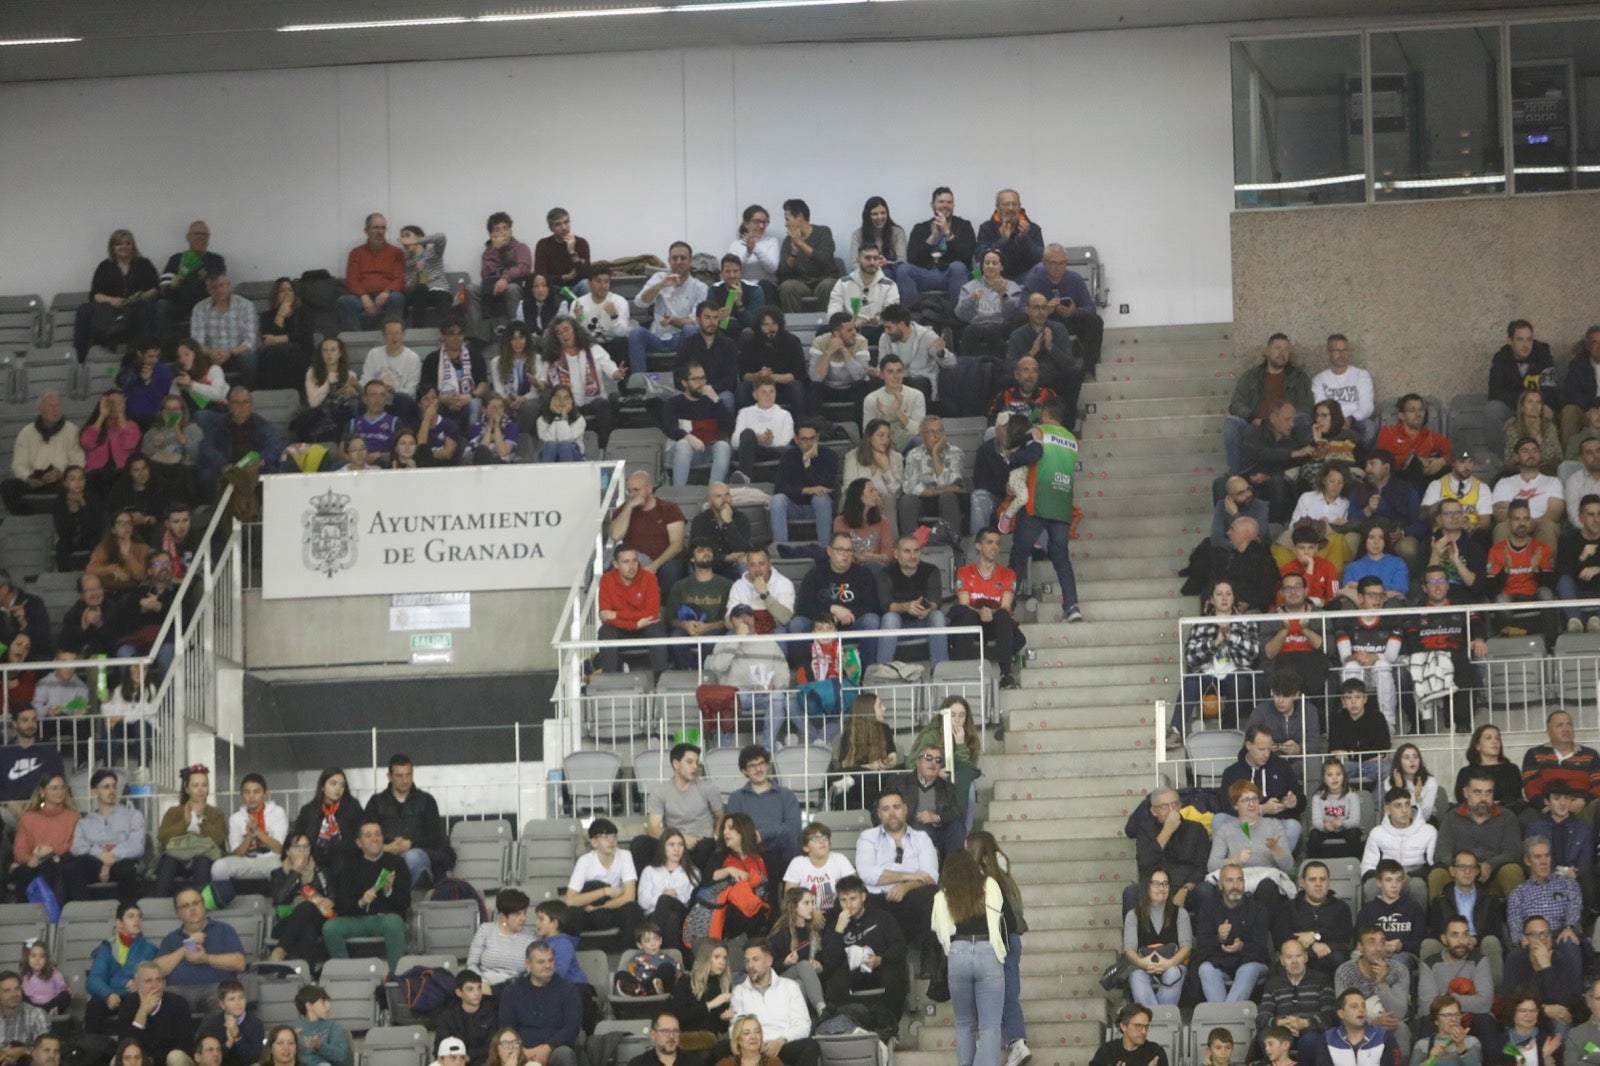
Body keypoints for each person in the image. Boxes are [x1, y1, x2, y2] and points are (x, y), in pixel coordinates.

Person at [1008, 397, 1083, 622]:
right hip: (1061, 505)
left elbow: (1034, 455)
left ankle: (1007, 605)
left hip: (1037, 502)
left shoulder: (1038, 431)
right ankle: (1071, 606)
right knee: (1061, 556)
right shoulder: (1072, 439)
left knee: (1019, 554)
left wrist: (1012, 457)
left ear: (1044, 413)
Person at [932, 849, 1009, 1066]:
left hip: (957, 952)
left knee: (964, 1023)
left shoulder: (941, 896)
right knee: (990, 1025)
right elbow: (1001, 915)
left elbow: (940, 932)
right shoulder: (990, 885)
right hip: (987, 950)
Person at [854, 789, 938, 952]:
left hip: (911, 898)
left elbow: (931, 875)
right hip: (877, 899)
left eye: (896, 807)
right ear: (879, 813)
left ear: (905, 809)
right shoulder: (868, 837)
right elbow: (867, 874)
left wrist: (905, 887)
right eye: (886, 809)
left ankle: (930, 965)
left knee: (932, 894)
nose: (892, 813)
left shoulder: (921, 838)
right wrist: (909, 875)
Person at [321, 819, 409, 972]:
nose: (374, 839)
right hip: (356, 920)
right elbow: (342, 904)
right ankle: (346, 974)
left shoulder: (397, 863)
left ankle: (396, 977)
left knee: (394, 923)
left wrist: (388, 892)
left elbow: (405, 902)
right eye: (368, 835)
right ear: (359, 843)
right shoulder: (349, 866)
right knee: (330, 927)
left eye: (378, 834)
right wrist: (361, 902)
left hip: (384, 919)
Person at [1504, 845, 1584, 1011]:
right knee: (1516, 956)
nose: (1544, 862)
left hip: (1562, 933)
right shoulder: (1519, 893)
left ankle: (1575, 1005)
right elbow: (1515, 924)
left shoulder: (1568, 884)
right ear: (1527, 861)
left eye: (1547, 856)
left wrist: (1569, 926)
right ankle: (1531, 1007)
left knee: (1569, 945)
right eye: (1538, 857)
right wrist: (1527, 941)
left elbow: (1575, 908)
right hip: (1531, 936)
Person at [1223, 334, 1315, 475]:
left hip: (1286, 425)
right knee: (1231, 422)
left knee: (1304, 419)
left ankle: (1302, 473)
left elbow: (1306, 405)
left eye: (1286, 349)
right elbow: (1236, 403)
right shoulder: (1251, 376)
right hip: (1256, 423)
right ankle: (1236, 477)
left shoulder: (1299, 377)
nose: (1282, 353)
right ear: (1266, 351)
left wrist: (1285, 421)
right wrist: (1252, 418)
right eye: (1277, 348)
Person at [1429, 770, 1526, 899]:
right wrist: (1465, 867)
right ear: (1466, 793)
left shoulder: (1507, 817)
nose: (1483, 798)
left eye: (1488, 792)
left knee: (1512, 871)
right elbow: (1441, 854)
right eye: (1477, 792)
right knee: (1437, 875)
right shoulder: (1451, 818)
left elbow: (1514, 853)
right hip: (1458, 877)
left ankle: (1516, 918)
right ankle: (1441, 918)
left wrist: (1490, 864)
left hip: (1493, 876)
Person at [155, 886, 246, 1012]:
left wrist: (206, 959)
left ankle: (205, 1032)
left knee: (224, 1003)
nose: (192, 909)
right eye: (186, 906)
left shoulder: (224, 930)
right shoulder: (170, 938)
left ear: (203, 905)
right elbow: (158, 971)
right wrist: (185, 949)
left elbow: (240, 963)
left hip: (216, 988)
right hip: (178, 991)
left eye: (195, 903)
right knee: (160, 1004)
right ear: (178, 913)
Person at [794, 533, 882, 663]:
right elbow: (802, 607)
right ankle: (806, 676)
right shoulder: (815, 574)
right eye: (840, 549)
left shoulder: (864, 574)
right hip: (821, 628)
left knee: (872, 620)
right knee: (797, 624)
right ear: (830, 551)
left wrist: (845, 616)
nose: (845, 554)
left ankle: (868, 673)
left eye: (849, 550)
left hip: (852, 625)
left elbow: (873, 606)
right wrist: (831, 610)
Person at [73, 229, 160, 361]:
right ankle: (80, 359)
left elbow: (155, 289)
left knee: (144, 309)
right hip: (110, 310)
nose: (124, 246)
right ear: (113, 248)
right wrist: (112, 300)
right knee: (84, 310)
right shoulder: (104, 266)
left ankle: (145, 358)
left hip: (136, 309)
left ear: (133, 246)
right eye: (119, 244)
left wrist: (139, 297)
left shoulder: (144, 264)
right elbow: (94, 295)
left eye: (127, 243)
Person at [1018, 244, 1103, 378]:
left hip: (1071, 320)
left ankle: (1088, 368)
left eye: (1063, 263)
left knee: (1095, 321)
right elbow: (1022, 308)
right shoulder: (1034, 281)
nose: (1059, 267)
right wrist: (1044, 310)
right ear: (1045, 263)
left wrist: (1074, 311)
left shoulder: (1075, 279)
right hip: (1046, 323)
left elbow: (1090, 308)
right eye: (1054, 263)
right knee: (1022, 321)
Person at [206, 773, 288, 908]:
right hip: (246, 860)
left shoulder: (278, 812)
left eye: (256, 792)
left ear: (265, 794)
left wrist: (258, 831)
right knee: (218, 867)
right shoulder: (236, 818)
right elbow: (238, 853)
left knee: (280, 867)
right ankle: (222, 903)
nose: (252, 797)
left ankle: (280, 906)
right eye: (247, 792)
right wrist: (249, 836)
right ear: (242, 795)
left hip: (271, 859)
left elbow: (280, 848)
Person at [1194, 860, 1271, 1004]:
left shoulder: (1257, 908)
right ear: (1220, 885)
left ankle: (1223, 1020)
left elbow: (1261, 947)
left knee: (1247, 969)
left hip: (1251, 962)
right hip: (1219, 961)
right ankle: (1228, 1019)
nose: (1235, 886)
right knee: (1205, 968)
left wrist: (1242, 946)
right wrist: (1219, 939)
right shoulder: (1209, 908)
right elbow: (1201, 946)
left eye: (1239, 880)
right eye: (1230, 881)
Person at [65, 768, 144, 903]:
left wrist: (110, 858)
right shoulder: (84, 822)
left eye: (114, 786)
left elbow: (136, 846)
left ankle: (127, 913)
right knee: (72, 867)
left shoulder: (132, 815)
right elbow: (76, 847)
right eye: (106, 787)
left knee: (127, 870)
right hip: (95, 862)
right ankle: (83, 914)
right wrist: (101, 855)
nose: (112, 791)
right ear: (95, 791)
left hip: (121, 862)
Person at [495, 943, 581, 1066]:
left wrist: (548, 1048)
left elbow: (572, 1028)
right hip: (520, 1051)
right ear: (528, 963)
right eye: (541, 962)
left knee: (565, 1054)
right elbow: (506, 1029)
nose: (547, 965)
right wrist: (522, 1051)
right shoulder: (512, 991)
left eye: (550, 960)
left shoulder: (568, 990)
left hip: (555, 1050)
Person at [2, 392, 86, 516]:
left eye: (58, 405)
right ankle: (27, 518)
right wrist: (29, 478)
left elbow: (78, 461)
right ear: (40, 409)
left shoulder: (71, 430)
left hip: (61, 480)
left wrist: (61, 473)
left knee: (75, 488)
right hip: (35, 479)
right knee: (7, 486)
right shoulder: (26, 432)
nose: (55, 410)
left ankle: (64, 517)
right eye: (50, 406)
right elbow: (18, 464)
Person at [630, 243, 709, 372]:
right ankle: (639, 384)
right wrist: (660, 285)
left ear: (690, 262)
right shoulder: (659, 278)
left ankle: (685, 379)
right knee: (635, 333)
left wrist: (672, 321)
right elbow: (639, 303)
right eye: (674, 258)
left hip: (681, 338)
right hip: (656, 336)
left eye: (683, 258)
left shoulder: (700, 288)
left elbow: (697, 322)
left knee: (691, 330)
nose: (678, 262)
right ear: (669, 261)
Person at [1488, 498, 1558, 641]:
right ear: (1509, 521)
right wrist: (1505, 570)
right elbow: (1490, 590)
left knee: (1546, 594)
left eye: (1526, 519)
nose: (1522, 524)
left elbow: (1551, 586)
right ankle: (1510, 643)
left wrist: (1536, 569)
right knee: (1500, 600)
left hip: (1533, 595)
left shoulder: (1540, 548)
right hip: (1508, 596)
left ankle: (1551, 644)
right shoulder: (1496, 550)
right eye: (1517, 519)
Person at [1256, 938, 1334, 1064]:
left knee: (1311, 1040)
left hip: (1311, 1030)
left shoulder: (1322, 980)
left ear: (1306, 958)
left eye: (1298, 956)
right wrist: (1279, 1023)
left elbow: (1330, 1016)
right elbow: (1262, 1017)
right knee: (1265, 1037)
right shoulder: (1273, 984)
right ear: (1282, 960)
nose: (1294, 961)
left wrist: (1305, 1022)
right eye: (1289, 957)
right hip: (1281, 1031)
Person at [563, 819, 643, 939]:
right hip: (589, 911)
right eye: (605, 837)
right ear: (594, 842)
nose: (611, 841)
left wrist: (601, 907)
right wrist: (605, 891)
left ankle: (630, 953)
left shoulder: (625, 856)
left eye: (614, 836)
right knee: (570, 913)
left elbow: (629, 896)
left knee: (633, 909)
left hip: (613, 908)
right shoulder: (584, 861)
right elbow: (570, 900)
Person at [1122, 869, 1190, 1011]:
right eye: (1156, 884)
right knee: (1136, 975)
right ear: (1147, 887)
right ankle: (1157, 1022)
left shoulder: (1180, 913)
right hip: (1143, 964)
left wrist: (1169, 963)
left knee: (1174, 973)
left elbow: (1186, 947)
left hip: (1173, 963)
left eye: (1165, 884)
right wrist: (1142, 962)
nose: (1162, 888)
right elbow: (1129, 949)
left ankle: (1152, 1021)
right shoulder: (1133, 915)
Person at [877, 535, 948, 666]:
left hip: (924, 621)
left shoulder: (931, 570)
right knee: (889, 618)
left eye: (916, 550)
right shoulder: (886, 573)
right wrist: (907, 606)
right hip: (898, 624)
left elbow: (936, 601)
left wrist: (927, 608)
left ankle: (940, 670)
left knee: (938, 616)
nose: (913, 555)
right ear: (896, 554)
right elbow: (885, 605)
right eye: (907, 551)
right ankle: (883, 670)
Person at [1417, 922, 1494, 1042]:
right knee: (1427, 1020)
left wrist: (1446, 998)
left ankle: (1490, 1061)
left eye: (1465, 935)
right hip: (1441, 1020)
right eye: (1454, 935)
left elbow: (1485, 1003)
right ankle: (1428, 1060)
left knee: (1485, 1020)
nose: (1461, 941)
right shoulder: (1430, 963)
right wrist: (1453, 1012)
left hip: (1470, 1018)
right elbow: (1427, 1006)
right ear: (1444, 939)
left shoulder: (1479, 960)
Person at [610, 471, 688, 591]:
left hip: (665, 561)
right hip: (635, 561)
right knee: (616, 566)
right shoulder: (625, 510)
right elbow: (616, 535)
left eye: (636, 490)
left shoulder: (669, 508)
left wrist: (655, 565)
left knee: (671, 570)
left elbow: (677, 545)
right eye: (629, 491)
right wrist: (629, 507)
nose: (632, 494)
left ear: (649, 488)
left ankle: (664, 608)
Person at [8, 771, 76, 904]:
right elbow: (19, 850)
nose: (59, 792)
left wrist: (51, 850)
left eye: (62, 787)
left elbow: (74, 844)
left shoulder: (73, 816)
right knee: (23, 873)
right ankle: (26, 918)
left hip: (60, 861)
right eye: (54, 788)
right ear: (42, 791)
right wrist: (30, 859)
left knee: (52, 870)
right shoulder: (28, 817)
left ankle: (53, 917)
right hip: (32, 862)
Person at [1487, 319, 1560, 442]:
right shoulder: (1501, 360)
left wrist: (1532, 406)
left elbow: (1551, 392)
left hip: (1538, 407)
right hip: (1512, 408)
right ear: (1510, 341)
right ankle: (1504, 458)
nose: (1525, 345)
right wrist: (1520, 411)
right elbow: (1494, 393)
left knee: (1548, 412)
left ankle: (1543, 458)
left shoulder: (1545, 358)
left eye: (1529, 339)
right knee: (1492, 410)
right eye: (1520, 339)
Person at [665, 362, 734, 487]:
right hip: (680, 453)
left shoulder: (713, 403)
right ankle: (679, 492)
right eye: (695, 379)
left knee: (723, 446)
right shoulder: (673, 403)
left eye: (703, 378)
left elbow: (729, 426)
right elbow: (669, 427)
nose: (701, 383)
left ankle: (714, 491)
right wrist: (687, 436)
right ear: (684, 383)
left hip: (706, 450)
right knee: (683, 445)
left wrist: (716, 399)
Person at [336, 214, 405, 332]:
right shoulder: (356, 253)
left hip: (387, 296)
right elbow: (352, 280)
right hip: (361, 297)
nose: (380, 232)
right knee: (345, 301)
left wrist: (386, 292)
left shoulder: (396, 252)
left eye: (383, 228)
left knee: (397, 298)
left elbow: (399, 279)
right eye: (376, 228)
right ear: (366, 231)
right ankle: (354, 344)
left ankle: (391, 338)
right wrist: (364, 297)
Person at [1491, 438, 1565, 547]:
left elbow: (1554, 512)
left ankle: (1547, 564)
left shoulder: (1553, 482)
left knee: (1548, 526)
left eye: (1535, 451)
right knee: (1502, 527)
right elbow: (1500, 513)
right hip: (1513, 525)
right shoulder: (1504, 483)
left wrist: (1533, 524)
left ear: (1540, 455)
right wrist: (1520, 524)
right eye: (1525, 451)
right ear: (1516, 457)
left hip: (1542, 524)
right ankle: (1504, 564)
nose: (1531, 454)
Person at [189, 274, 259, 387]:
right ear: (208, 290)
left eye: (221, 285)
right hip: (210, 356)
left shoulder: (246, 305)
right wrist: (211, 352)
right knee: (189, 359)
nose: (218, 290)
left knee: (249, 358)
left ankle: (248, 393)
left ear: (229, 286)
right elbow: (197, 342)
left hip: (237, 354)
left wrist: (229, 352)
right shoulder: (200, 308)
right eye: (214, 287)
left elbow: (251, 341)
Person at [900, 416, 965, 535]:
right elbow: (909, 487)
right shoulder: (913, 455)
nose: (937, 436)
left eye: (940, 431)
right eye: (932, 432)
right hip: (921, 500)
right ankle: (909, 546)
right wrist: (936, 491)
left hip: (948, 500)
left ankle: (954, 544)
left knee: (947, 496)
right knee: (906, 500)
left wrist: (935, 454)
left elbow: (947, 483)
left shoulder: (955, 453)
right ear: (922, 436)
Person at [117, 962, 191, 1065]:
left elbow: (183, 1047)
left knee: (176, 1057)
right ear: (137, 984)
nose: (155, 986)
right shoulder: (128, 1004)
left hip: (168, 1062)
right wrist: (142, 1011)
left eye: (158, 980)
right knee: (117, 1060)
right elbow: (125, 1047)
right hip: (141, 1062)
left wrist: (152, 1061)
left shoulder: (178, 1004)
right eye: (148, 981)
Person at [955, 250, 1023, 359]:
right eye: (987, 263)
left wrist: (1003, 295)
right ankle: (965, 369)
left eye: (994, 263)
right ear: (982, 266)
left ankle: (1004, 367)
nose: (990, 266)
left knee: (992, 330)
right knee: (969, 330)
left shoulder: (1012, 286)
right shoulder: (969, 286)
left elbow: (1013, 315)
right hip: (976, 325)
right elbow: (960, 315)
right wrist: (970, 299)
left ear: (1001, 267)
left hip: (1001, 326)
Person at [738, 308, 808, 413]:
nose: (770, 328)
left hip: (784, 386)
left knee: (796, 386)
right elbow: (744, 375)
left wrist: (773, 377)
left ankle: (799, 424)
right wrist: (758, 376)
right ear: (759, 326)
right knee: (742, 388)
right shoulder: (751, 343)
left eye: (774, 324)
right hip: (758, 385)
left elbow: (798, 373)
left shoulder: (792, 341)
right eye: (765, 325)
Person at [467, 888, 536, 989]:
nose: (523, 918)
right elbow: (471, 964)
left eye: (524, 913)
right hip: (483, 986)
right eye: (517, 914)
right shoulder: (485, 930)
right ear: (503, 916)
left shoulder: (530, 938)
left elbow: (531, 972)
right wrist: (481, 982)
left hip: (514, 989)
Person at [776, 200, 837, 314]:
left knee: (828, 285)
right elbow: (783, 275)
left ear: (799, 217)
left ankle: (828, 326)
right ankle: (794, 329)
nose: (785, 224)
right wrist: (794, 253)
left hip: (824, 279)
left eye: (787, 219)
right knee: (787, 287)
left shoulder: (823, 232)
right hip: (801, 283)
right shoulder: (787, 241)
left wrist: (800, 244)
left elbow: (824, 259)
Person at [827, 243, 900, 335]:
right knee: (823, 330)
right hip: (849, 331)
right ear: (858, 260)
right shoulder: (842, 283)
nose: (872, 262)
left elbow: (892, 315)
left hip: (877, 330)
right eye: (867, 258)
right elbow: (833, 313)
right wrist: (850, 324)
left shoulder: (890, 285)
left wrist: (877, 320)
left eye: (875, 258)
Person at [1317, 988, 1403, 1066]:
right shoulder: (1328, 1039)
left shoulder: (1384, 1037)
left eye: (1363, 1006)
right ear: (1341, 1013)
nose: (1361, 1010)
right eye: (1354, 1006)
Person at [673, 938, 734, 1042]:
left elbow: (722, 1029)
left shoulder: (725, 984)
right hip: (687, 1039)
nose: (721, 962)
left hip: (711, 1040)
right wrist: (710, 1005)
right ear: (705, 957)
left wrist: (725, 1019)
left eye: (724, 958)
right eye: (717, 957)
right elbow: (680, 1016)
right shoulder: (686, 980)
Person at [733, 379, 794, 482]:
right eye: (763, 392)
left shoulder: (785, 415)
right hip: (752, 450)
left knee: (791, 450)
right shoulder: (744, 413)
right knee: (748, 433)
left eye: (771, 391)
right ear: (755, 395)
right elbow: (734, 442)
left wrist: (769, 440)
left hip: (774, 451)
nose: (768, 395)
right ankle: (745, 477)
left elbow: (785, 441)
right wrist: (756, 438)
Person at [194, 979, 266, 1066]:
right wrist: (228, 1044)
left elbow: (253, 1059)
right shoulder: (211, 1024)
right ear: (222, 1004)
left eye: (241, 998)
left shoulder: (256, 1024)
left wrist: (237, 1035)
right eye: (232, 999)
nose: (238, 1003)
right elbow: (205, 1058)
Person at [806, 313, 870, 409]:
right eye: (849, 330)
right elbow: (815, 378)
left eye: (854, 328)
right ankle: (816, 423)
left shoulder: (861, 341)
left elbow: (860, 376)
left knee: (862, 386)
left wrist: (844, 350)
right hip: (828, 388)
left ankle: (863, 424)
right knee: (814, 388)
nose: (854, 333)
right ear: (836, 333)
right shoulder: (819, 342)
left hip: (851, 387)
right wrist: (829, 352)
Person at [862, 355, 924, 453]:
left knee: (920, 442)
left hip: (910, 445)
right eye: (890, 372)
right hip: (883, 445)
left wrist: (898, 412)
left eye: (899, 371)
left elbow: (919, 431)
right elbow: (868, 434)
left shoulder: (917, 395)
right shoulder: (871, 399)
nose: (896, 376)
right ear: (882, 375)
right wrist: (885, 416)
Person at [1557, 493, 1600, 632]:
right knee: (1564, 581)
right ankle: (1575, 622)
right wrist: (1582, 557)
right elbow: (1560, 571)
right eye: (1591, 515)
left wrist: (1597, 569)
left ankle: (1597, 621)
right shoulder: (1568, 539)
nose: (1596, 519)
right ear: (1581, 518)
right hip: (1577, 592)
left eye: (1599, 514)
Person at [435, 975, 495, 1066]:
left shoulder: (492, 1011)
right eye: (470, 989)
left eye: (479, 988)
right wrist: (460, 1058)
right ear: (459, 992)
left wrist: (468, 1056)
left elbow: (493, 1045)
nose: (477, 993)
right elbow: (440, 1048)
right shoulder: (448, 1015)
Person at [1503, 390, 1564, 475]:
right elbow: (1509, 460)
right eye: (1530, 402)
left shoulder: (1550, 428)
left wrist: (1537, 434)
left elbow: (1558, 457)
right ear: (1522, 408)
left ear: (1542, 409)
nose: (1534, 406)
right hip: (1520, 472)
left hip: (1546, 472)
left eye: (1538, 402)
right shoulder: (1513, 429)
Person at [533, 208, 590, 295]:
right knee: (540, 285)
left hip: (576, 287)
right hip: (554, 288)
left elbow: (586, 274)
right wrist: (564, 277)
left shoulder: (581, 243)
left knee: (586, 284)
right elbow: (540, 274)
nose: (564, 227)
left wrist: (572, 252)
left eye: (566, 222)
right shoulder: (543, 244)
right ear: (551, 228)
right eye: (558, 224)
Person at [288, 986, 350, 1066]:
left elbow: (341, 1055)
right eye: (323, 1002)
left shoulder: (334, 1026)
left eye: (328, 1001)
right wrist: (290, 1041)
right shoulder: (291, 1028)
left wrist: (319, 1045)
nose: (328, 1005)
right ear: (309, 1006)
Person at [706, 255, 765, 338]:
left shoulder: (755, 290)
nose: (732, 275)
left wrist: (739, 304)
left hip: (745, 335)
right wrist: (716, 316)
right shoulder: (714, 289)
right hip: (721, 335)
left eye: (735, 271)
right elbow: (708, 321)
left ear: (741, 272)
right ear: (721, 273)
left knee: (748, 332)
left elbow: (753, 324)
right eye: (727, 271)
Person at [731, 205, 781, 295]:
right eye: (757, 222)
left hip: (766, 287)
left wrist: (755, 249)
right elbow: (732, 270)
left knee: (763, 285)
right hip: (742, 287)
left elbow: (772, 269)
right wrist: (748, 253)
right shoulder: (736, 245)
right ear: (746, 223)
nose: (761, 226)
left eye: (764, 222)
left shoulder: (771, 242)